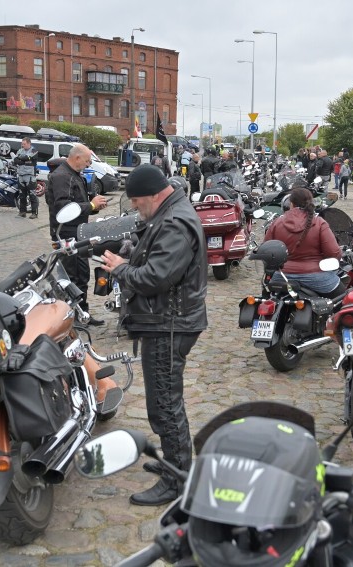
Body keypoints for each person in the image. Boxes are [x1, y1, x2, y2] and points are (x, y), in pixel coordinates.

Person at [99, 164, 208, 506]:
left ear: (153, 195)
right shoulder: (170, 211)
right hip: (165, 320)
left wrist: (121, 269)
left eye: (136, 201)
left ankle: (177, 480)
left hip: (170, 324)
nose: (134, 207)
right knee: (161, 401)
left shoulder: (175, 220)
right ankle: (174, 463)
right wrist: (130, 255)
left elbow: (158, 276)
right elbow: (156, 255)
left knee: (165, 402)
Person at [46, 142, 108, 324]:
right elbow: (62, 206)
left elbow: (80, 204)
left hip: (79, 231)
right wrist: (90, 205)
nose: (89, 164)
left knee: (82, 274)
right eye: (88, 160)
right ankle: (71, 317)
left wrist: (95, 206)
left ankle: (82, 313)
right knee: (71, 276)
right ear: (77, 157)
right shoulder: (61, 176)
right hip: (65, 233)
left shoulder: (75, 175)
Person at [264, 185, 345, 298]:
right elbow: (333, 253)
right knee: (343, 299)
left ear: (291, 203)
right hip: (316, 276)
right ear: (311, 202)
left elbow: (267, 251)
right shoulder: (319, 222)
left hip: (282, 276)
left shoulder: (277, 222)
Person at [14, 137, 39, 219]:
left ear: (29, 143)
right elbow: (15, 160)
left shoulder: (34, 151)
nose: (22, 145)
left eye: (24, 144)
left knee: (32, 195)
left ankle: (34, 213)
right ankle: (22, 212)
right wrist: (23, 160)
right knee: (22, 195)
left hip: (30, 176)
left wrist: (22, 159)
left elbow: (28, 158)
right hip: (20, 175)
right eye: (22, 143)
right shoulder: (20, 150)